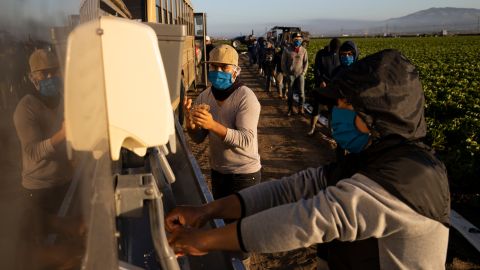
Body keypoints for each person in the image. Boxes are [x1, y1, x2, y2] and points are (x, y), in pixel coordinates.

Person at [166, 49, 451, 270]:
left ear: (379, 115)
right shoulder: (363, 162)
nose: (337, 112)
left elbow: (310, 219)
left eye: (346, 105)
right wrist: (207, 211)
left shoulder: (411, 176)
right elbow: (290, 189)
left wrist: (207, 239)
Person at [13, 49, 78, 268]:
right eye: (44, 74)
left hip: (65, 183)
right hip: (39, 191)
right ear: (33, 79)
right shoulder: (26, 108)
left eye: (53, 72)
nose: (50, 78)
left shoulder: (64, 99)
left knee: (69, 242)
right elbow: (32, 153)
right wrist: (61, 136)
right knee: (47, 254)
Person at [184, 44, 262, 200]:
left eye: (224, 67)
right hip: (218, 172)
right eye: (214, 66)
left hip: (244, 174)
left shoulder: (246, 97)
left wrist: (212, 125)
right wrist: (191, 123)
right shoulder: (205, 96)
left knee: (240, 223)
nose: (218, 71)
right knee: (222, 220)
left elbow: (246, 139)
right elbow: (199, 138)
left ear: (235, 70)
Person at [307, 38, 341, 136]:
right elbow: (317, 70)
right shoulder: (321, 54)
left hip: (333, 87)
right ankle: (312, 128)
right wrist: (321, 81)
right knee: (317, 108)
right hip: (322, 85)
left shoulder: (339, 55)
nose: (335, 52)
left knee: (332, 110)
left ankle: (331, 132)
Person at [282, 32, 308, 116]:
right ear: (292, 40)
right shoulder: (287, 50)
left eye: (300, 39)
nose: (298, 41)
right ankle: (290, 109)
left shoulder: (303, 50)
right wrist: (286, 73)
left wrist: (303, 72)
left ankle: (301, 109)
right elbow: (283, 63)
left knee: (302, 93)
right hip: (291, 75)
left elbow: (306, 63)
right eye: (296, 39)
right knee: (290, 93)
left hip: (300, 74)